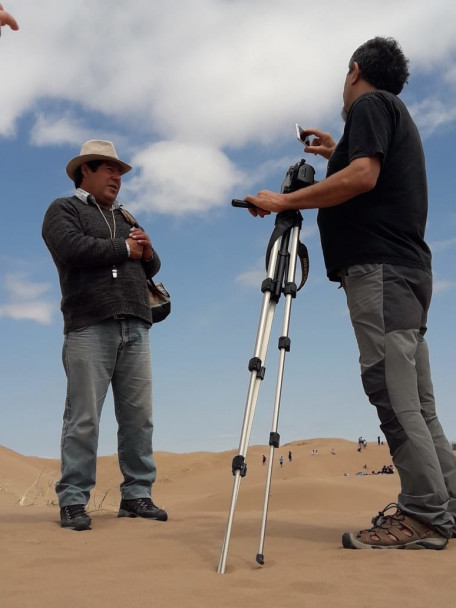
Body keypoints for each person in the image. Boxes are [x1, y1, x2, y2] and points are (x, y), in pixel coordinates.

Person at [244, 37, 456, 550]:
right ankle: (446, 502)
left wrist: (284, 200)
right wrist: (333, 151)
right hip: (405, 274)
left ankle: (424, 516)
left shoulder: (367, 104)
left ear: (354, 70)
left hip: (381, 273)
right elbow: (361, 167)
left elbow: (363, 176)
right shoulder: (391, 111)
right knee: (418, 401)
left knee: (390, 390)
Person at [42, 140, 168, 531]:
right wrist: (125, 249)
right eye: (109, 170)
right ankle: (74, 500)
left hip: (136, 322)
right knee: (83, 417)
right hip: (88, 323)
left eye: (120, 173)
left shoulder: (126, 216)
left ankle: (136, 495)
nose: (117, 178)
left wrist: (146, 254)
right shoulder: (63, 209)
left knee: (139, 416)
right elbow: (72, 247)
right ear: (86, 171)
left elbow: (151, 264)